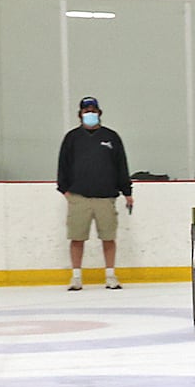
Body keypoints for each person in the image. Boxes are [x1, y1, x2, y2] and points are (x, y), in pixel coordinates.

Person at [56, 96, 132, 290]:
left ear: (99, 113)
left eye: (93, 111)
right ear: (80, 114)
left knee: (108, 237)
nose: (90, 114)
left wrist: (127, 191)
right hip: (78, 197)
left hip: (105, 197)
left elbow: (121, 165)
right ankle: (76, 277)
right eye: (86, 111)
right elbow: (63, 165)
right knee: (77, 237)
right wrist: (64, 189)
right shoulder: (72, 138)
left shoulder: (111, 137)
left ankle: (110, 275)